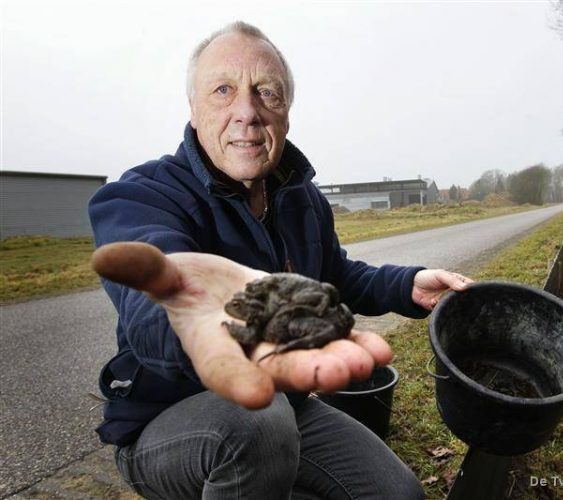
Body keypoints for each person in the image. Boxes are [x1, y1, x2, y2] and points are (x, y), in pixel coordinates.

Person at [89, 21, 472, 499]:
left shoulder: (302, 197)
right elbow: (155, 307)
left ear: (286, 110)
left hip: (282, 403)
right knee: (257, 426)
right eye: (223, 90)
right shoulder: (141, 196)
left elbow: (335, 276)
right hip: (169, 424)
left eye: (266, 92)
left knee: (398, 495)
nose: (246, 112)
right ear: (193, 108)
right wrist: (213, 325)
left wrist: (407, 284)